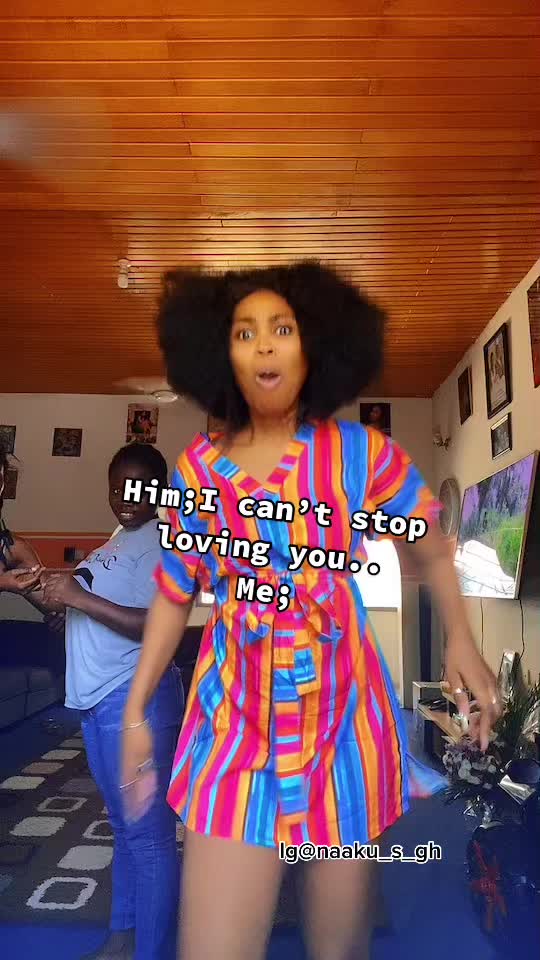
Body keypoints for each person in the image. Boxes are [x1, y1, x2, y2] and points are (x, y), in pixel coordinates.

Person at [121, 262, 502, 960]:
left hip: (344, 733)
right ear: (222, 354)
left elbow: (428, 543)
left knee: (340, 949)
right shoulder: (198, 470)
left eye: (283, 328)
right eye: (245, 332)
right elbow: (175, 592)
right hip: (234, 732)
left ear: (314, 346)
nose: (265, 344)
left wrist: (460, 638)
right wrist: (137, 709)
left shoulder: (362, 454)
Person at [42, 443, 184, 960]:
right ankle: (123, 940)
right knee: (125, 830)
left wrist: (78, 598)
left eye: (138, 485)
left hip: (135, 699)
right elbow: (105, 605)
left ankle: (150, 951)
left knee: (149, 837)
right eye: (117, 485)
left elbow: (158, 624)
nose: (125, 496)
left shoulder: (164, 541)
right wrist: (68, 611)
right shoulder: (120, 538)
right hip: (100, 699)